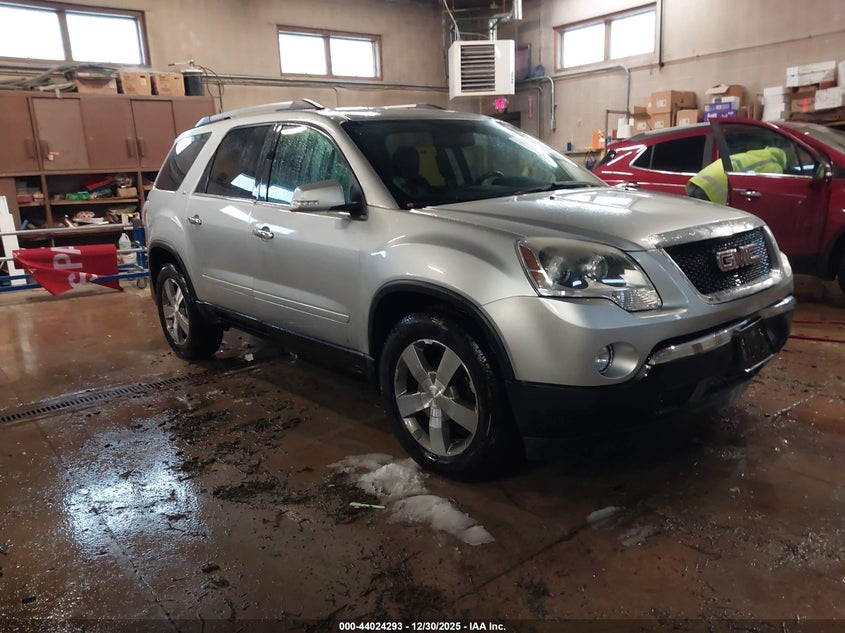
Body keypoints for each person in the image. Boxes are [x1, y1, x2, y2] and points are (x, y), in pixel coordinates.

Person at [686, 146, 787, 204]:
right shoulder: (775, 166)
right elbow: (771, 192)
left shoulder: (756, 155)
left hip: (697, 181)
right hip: (711, 188)